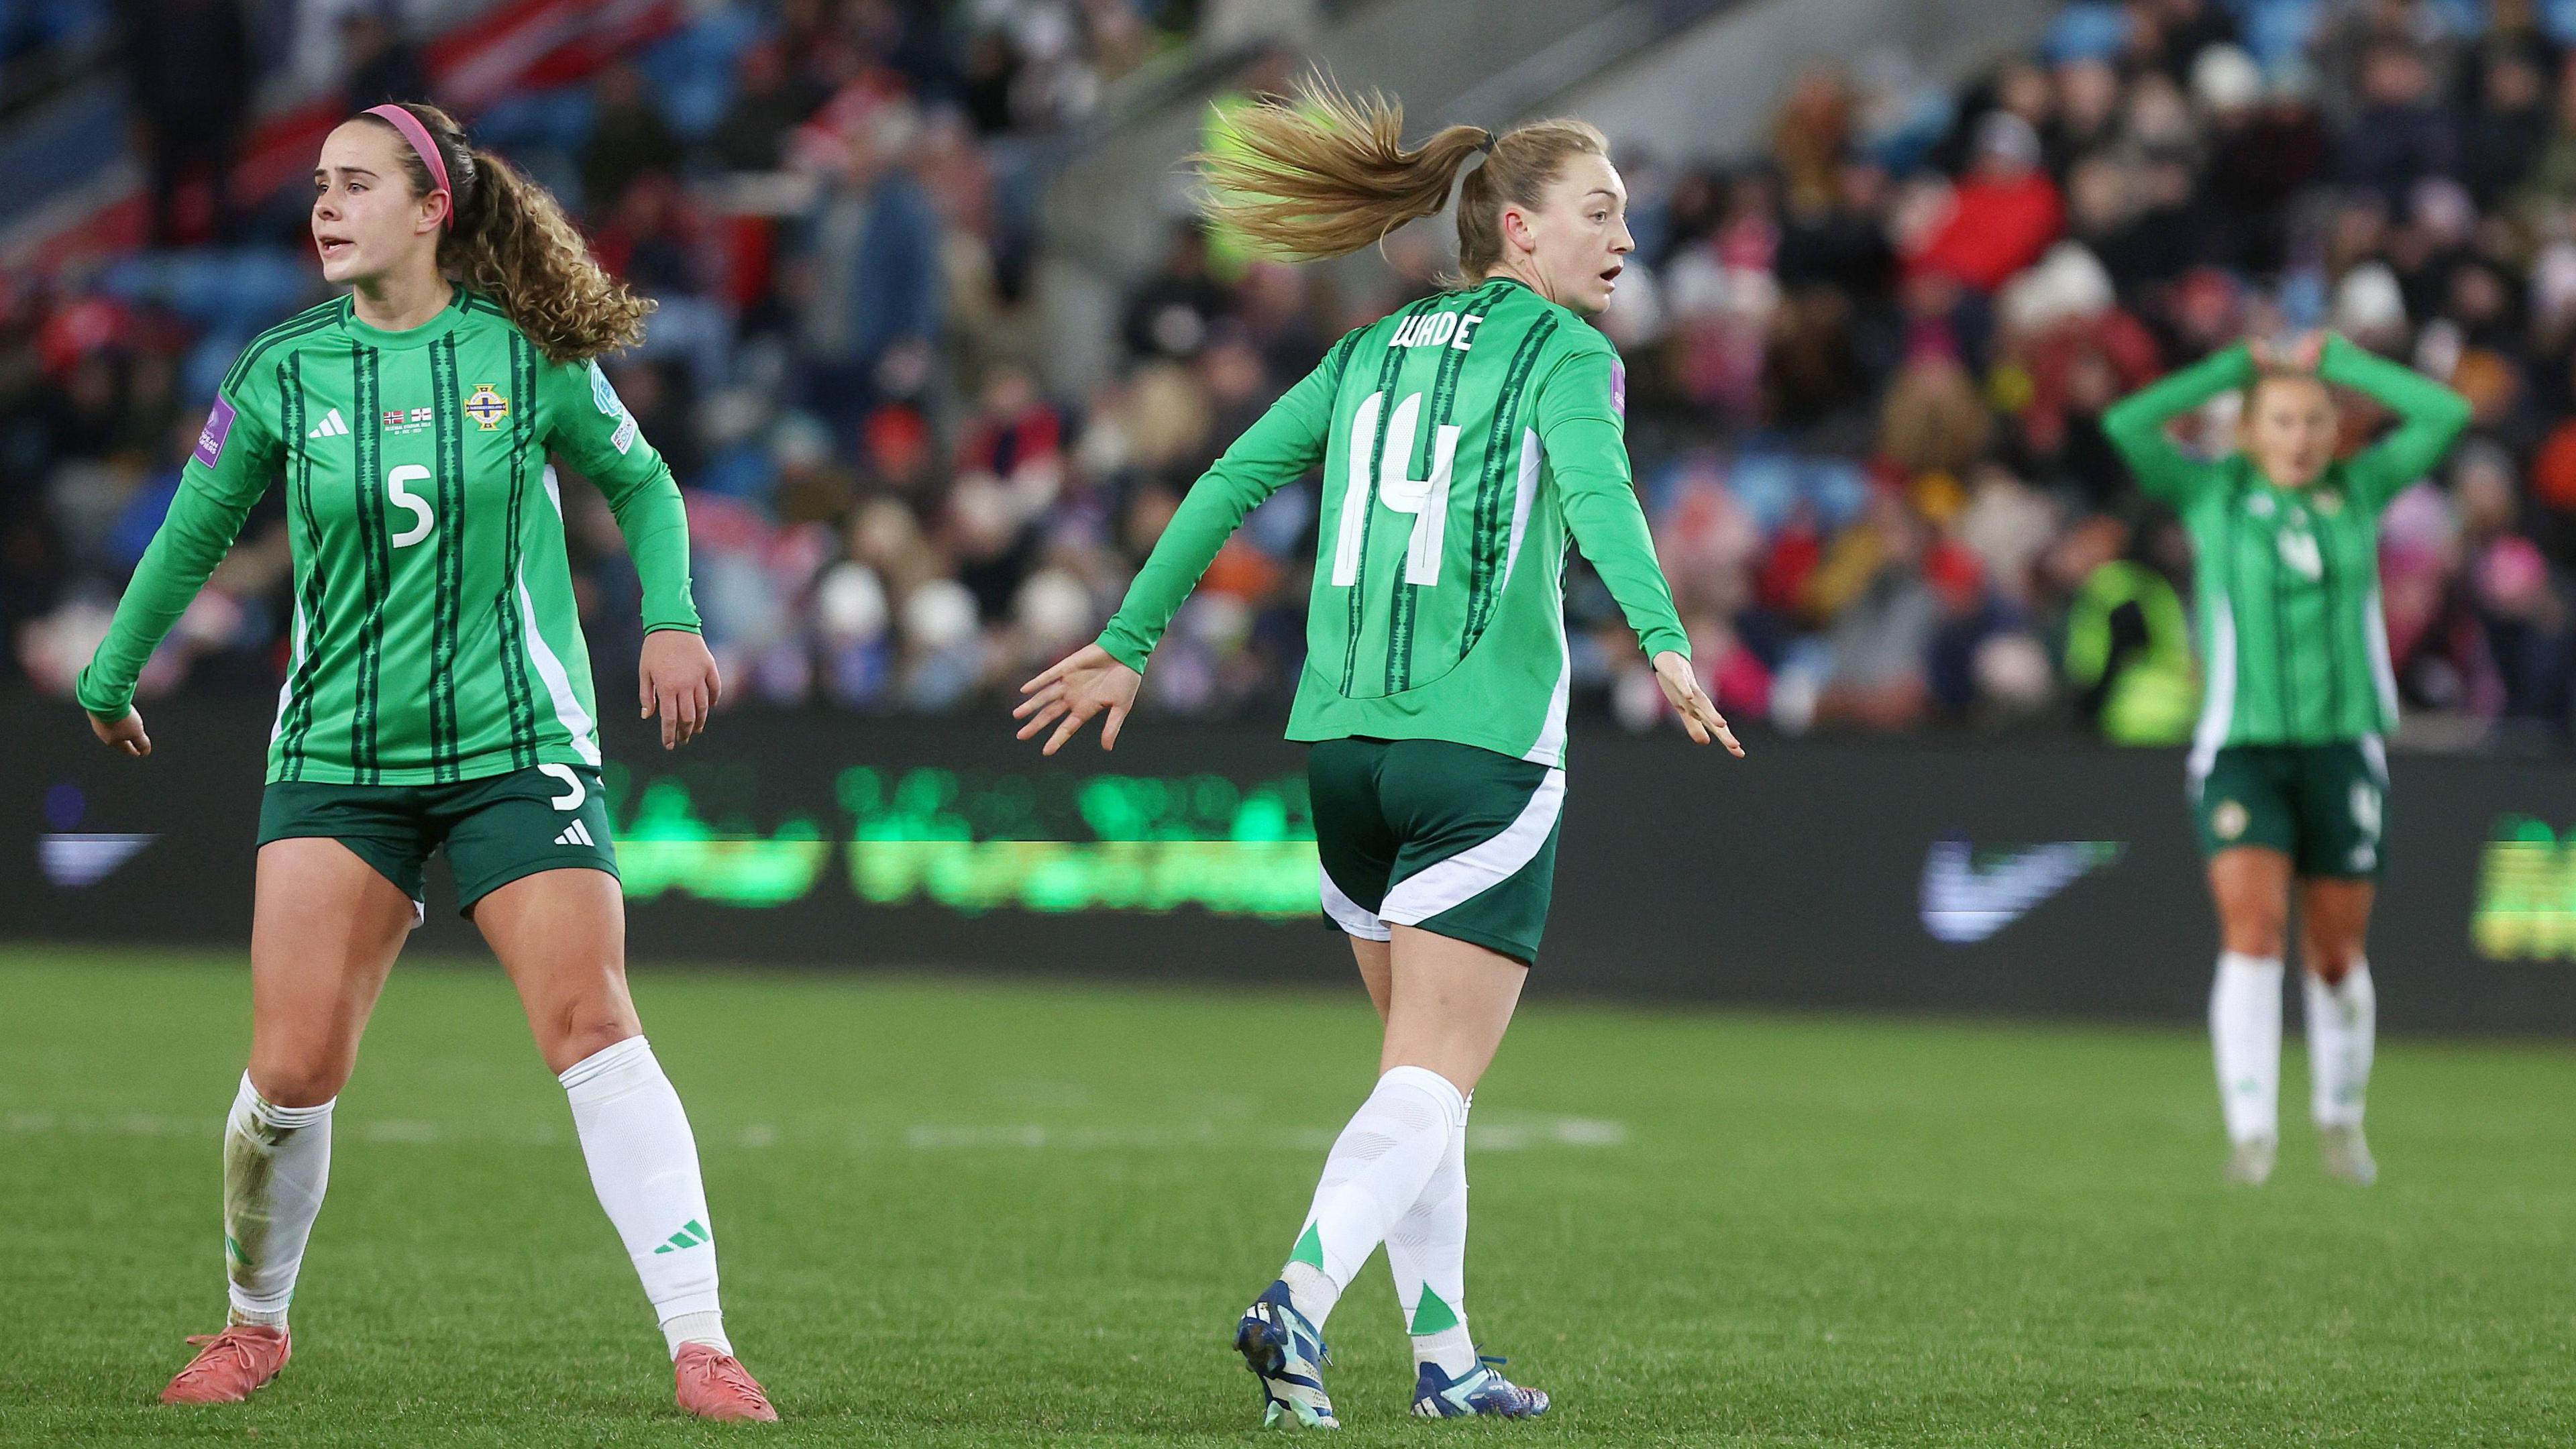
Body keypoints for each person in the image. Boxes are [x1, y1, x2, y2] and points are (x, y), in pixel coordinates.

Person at [1014, 81, 1743, 1428]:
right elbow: (1599, 495)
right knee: (1434, 1074)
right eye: (1602, 211)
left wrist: (1130, 638)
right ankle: (1300, 1292)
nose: (1626, 238)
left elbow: (1230, 476)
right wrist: (1664, 638)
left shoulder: (1372, 350)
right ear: (1519, 230)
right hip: (1482, 755)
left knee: (1420, 1073)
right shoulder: (1572, 358)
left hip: (1343, 752)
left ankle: (1447, 1356)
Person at [76, 101, 774, 1422]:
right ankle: (254, 1326)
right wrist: (115, 667)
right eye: (319, 188)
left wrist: (674, 615)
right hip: (339, 751)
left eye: (353, 185)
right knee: (290, 1072)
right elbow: (193, 529)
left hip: (519, 741)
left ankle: (702, 1344)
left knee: (593, 1022)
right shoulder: (283, 368)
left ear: (429, 208)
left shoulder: (526, 356)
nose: (325, 209)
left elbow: (644, 484)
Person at [2103, 329, 2470, 1187]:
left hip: (2345, 749)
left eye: (2314, 421)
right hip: (2241, 748)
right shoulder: (2211, 496)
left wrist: (2335, 359)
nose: (2300, 438)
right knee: (2254, 929)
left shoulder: (2363, 488)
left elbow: (2446, 413)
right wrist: (2236, 365)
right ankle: (2252, 1134)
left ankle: (2341, 1124)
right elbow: (2128, 423)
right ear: (2249, 431)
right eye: (2281, 421)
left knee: (2336, 954)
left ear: (2336, 431)